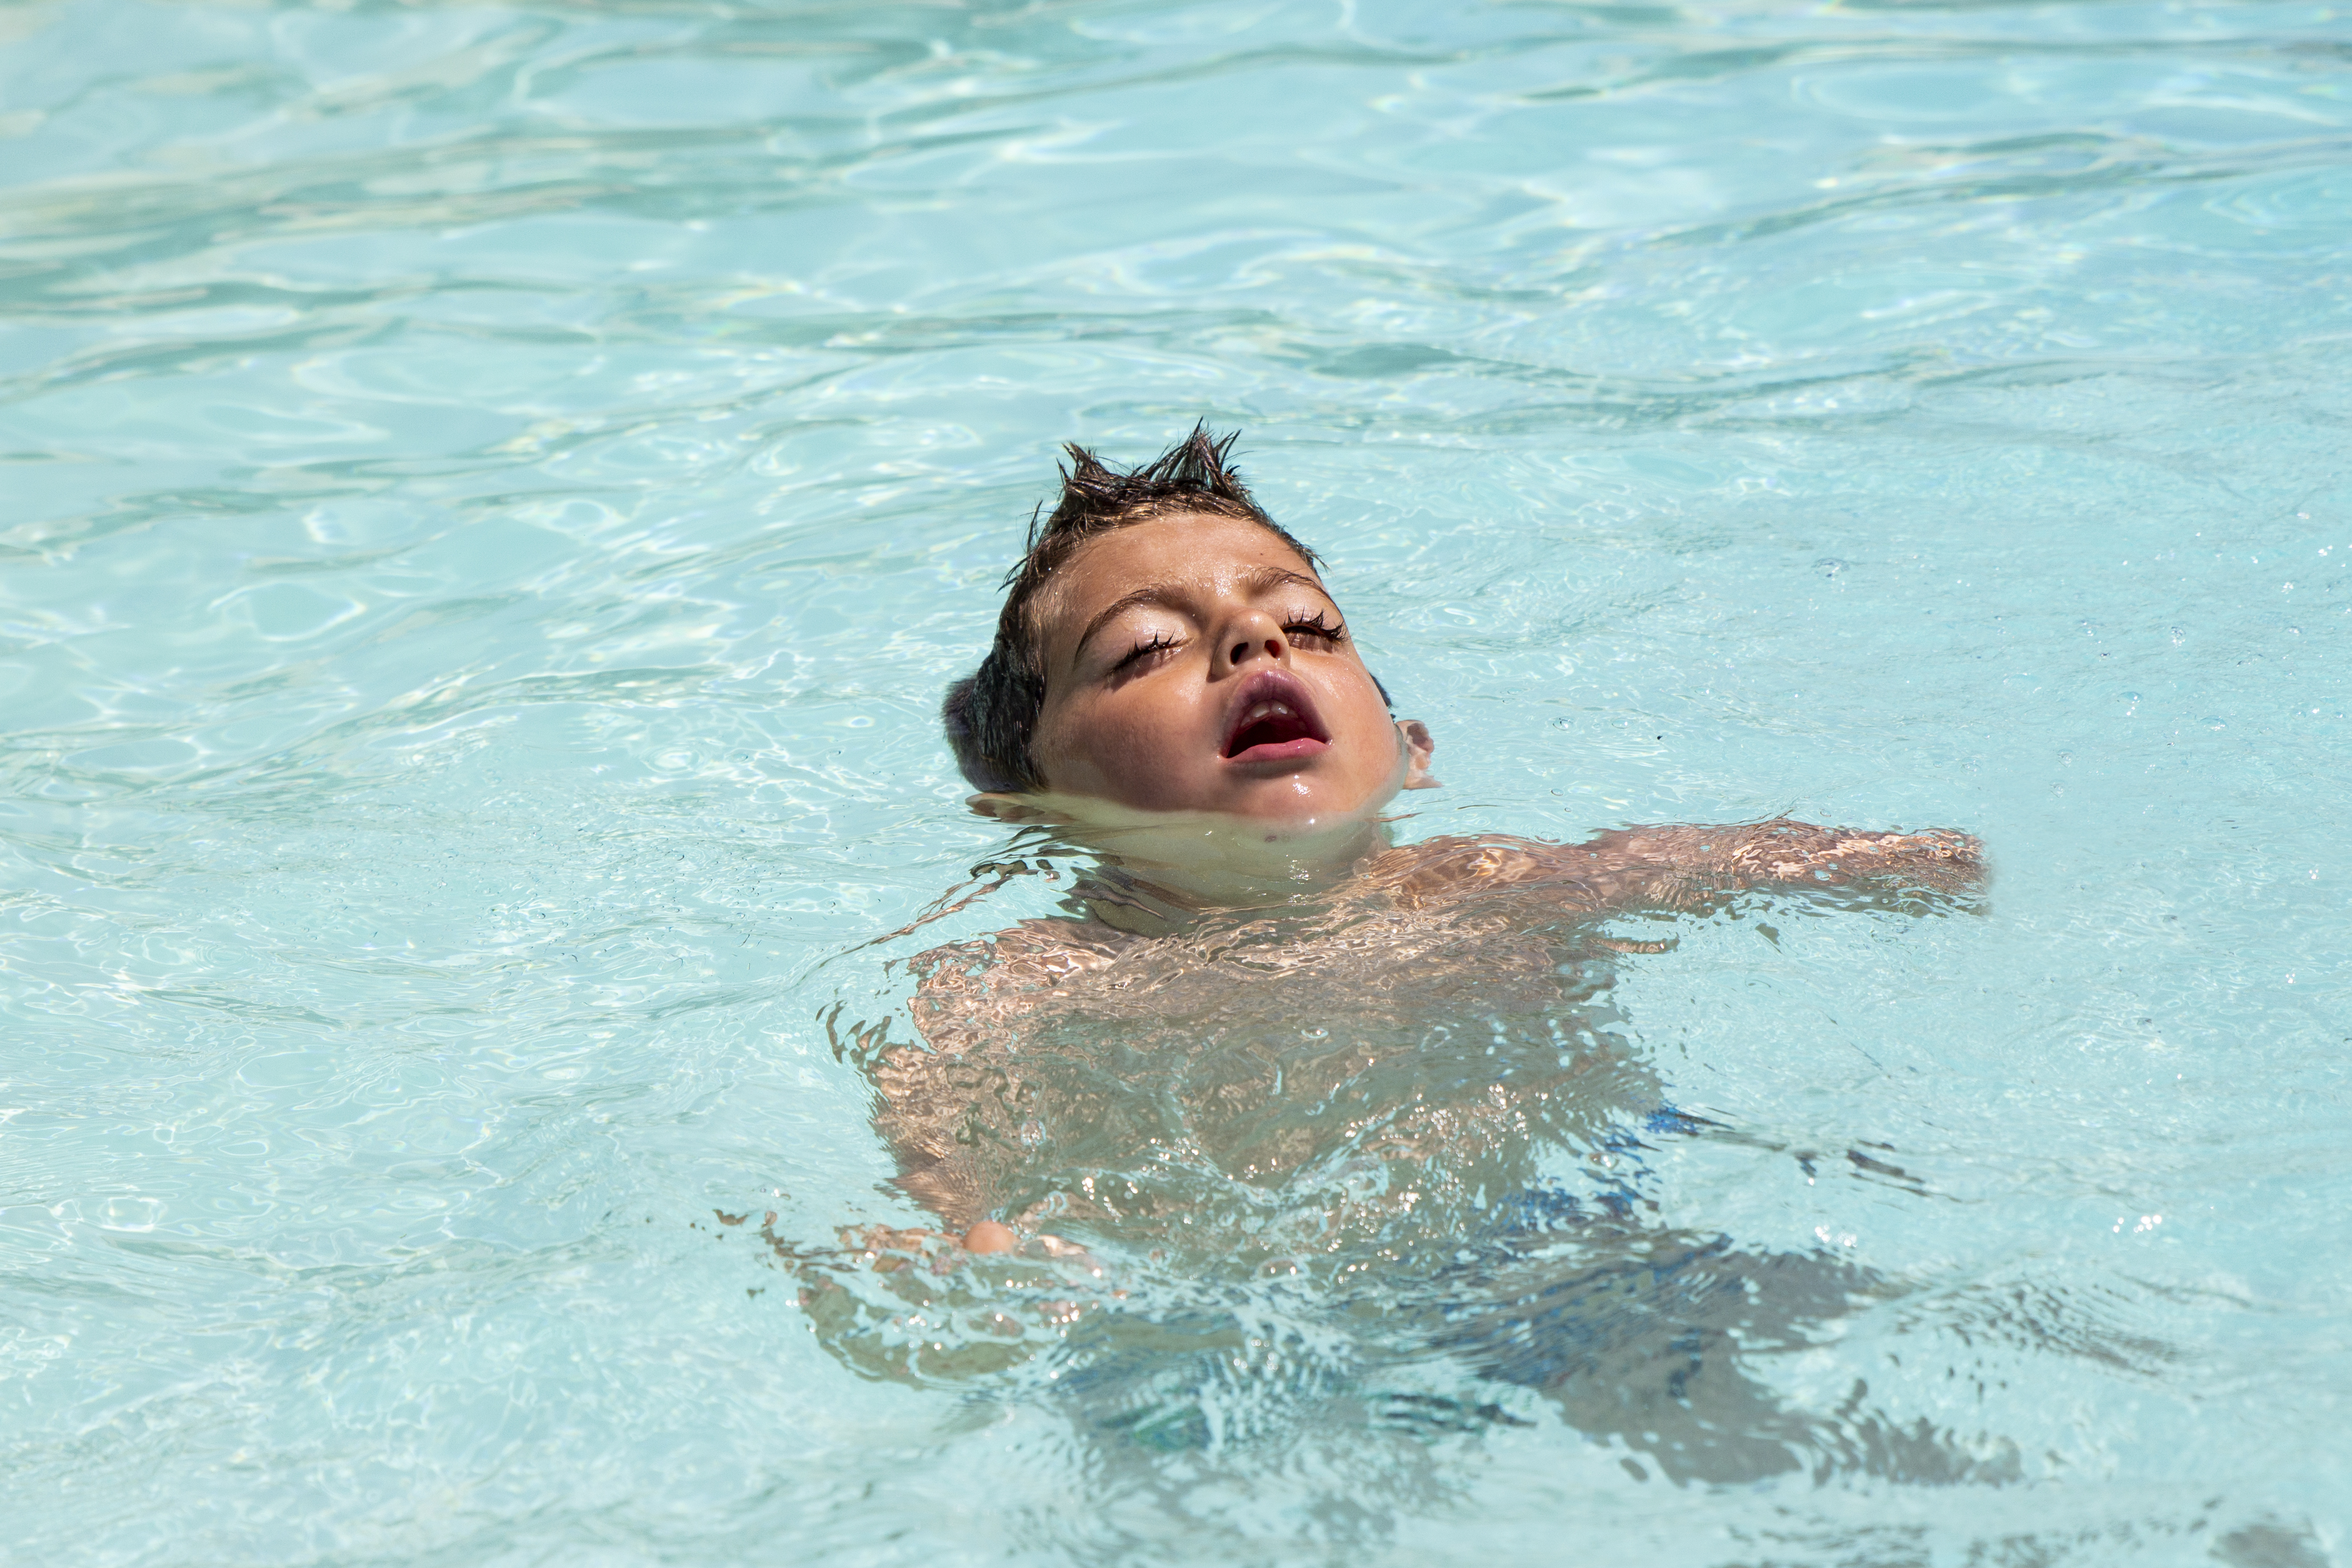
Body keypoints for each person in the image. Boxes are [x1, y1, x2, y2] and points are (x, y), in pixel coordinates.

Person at [799, 428, 2000, 1481]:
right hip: (1194, 1334)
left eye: (1307, 625)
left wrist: (1894, 860)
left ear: (1411, 748)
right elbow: (941, 1134)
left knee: (1906, 1414)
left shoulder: (1502, 888)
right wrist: (955, 1236)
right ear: (1032, 802)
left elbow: (1755, 860)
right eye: (1147, 648)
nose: (1251, 644)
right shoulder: (1022, 981)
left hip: (1573, 1250)